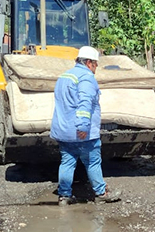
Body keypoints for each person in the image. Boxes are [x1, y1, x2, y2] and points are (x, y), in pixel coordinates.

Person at [51, 46, 120, 205]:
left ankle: (64, 195)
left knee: (67, 162)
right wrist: (82, 127)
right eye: (95, 64)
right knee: (92, 162)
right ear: (89, 62)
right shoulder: (86, 78)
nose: (96, 68)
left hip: (63, 131)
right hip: (81, 132)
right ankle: (101, 193)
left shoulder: (64, 76)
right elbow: (85, 103)